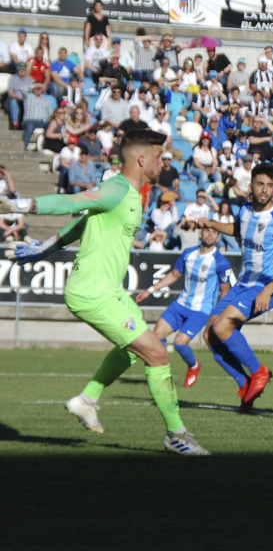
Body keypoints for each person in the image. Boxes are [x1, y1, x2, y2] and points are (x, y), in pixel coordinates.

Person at [2, 130, 208, 455]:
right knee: (156, 353)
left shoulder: (132, 195)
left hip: (110, 291)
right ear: (142, 160)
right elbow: (71, 202)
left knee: (132, 349)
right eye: (158, 158)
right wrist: (20, 204)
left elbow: (83, 223)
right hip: (92, 293)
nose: (162, 163)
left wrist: (43, 250)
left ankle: (87, 400)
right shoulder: (116, 189)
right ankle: (176, 435)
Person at [198, 162, 273, 414]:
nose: (264, 190)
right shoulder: (244, 209)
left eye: (269, 186)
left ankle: (258, 372)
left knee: (222, 326)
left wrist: (268, 290)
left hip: (264, 286)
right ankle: (245, 384)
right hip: (242, 284)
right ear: (250, 185)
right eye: (260, 184)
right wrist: (210, 223)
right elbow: (238, 231)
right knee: (209, 335)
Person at [134, 225, 232, 388]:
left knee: (180, 343)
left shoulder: (221, 262)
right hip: (180, 305)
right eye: (207, 230)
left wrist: (219, 316)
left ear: (217, 238)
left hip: (201, 310)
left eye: (214, 232)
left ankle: (194, 366)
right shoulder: (188, 254)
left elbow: (225, 291)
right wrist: (150, 290)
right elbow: (174, 275)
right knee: (156, 336)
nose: (210, 234)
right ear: (200, 233)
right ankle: (160, 376)